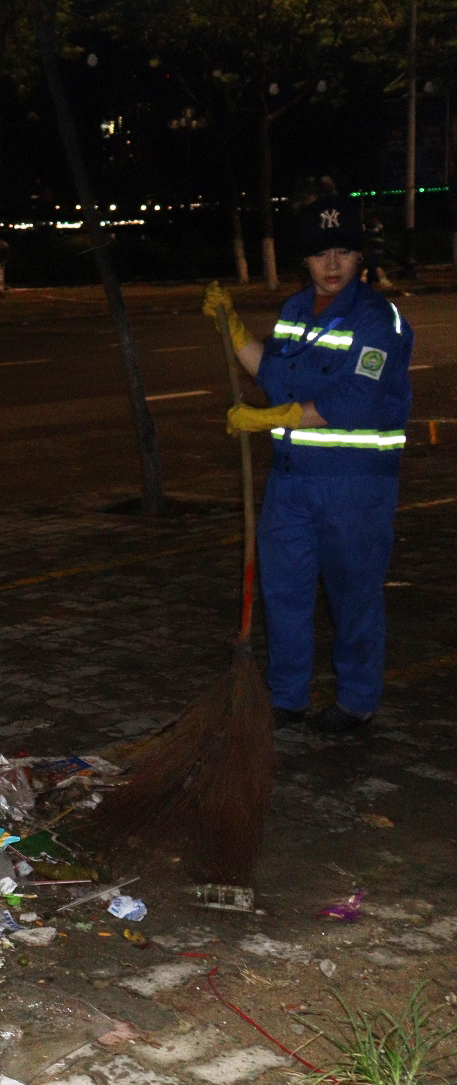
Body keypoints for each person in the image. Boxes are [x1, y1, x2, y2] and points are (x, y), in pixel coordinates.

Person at [204, 194, 412, 736]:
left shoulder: (379, 320)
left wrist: (274, 416)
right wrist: (233, 330)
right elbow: (272, 374)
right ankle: (288, 696)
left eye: (344, 251)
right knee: (285, 591)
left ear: (360, 256)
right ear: (306, 259)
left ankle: (358, 700)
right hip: (292, 482)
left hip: (354, 486)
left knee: (354, 594)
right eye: (322, 253)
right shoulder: (295, 311)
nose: (334, 264)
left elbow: (356, 399)